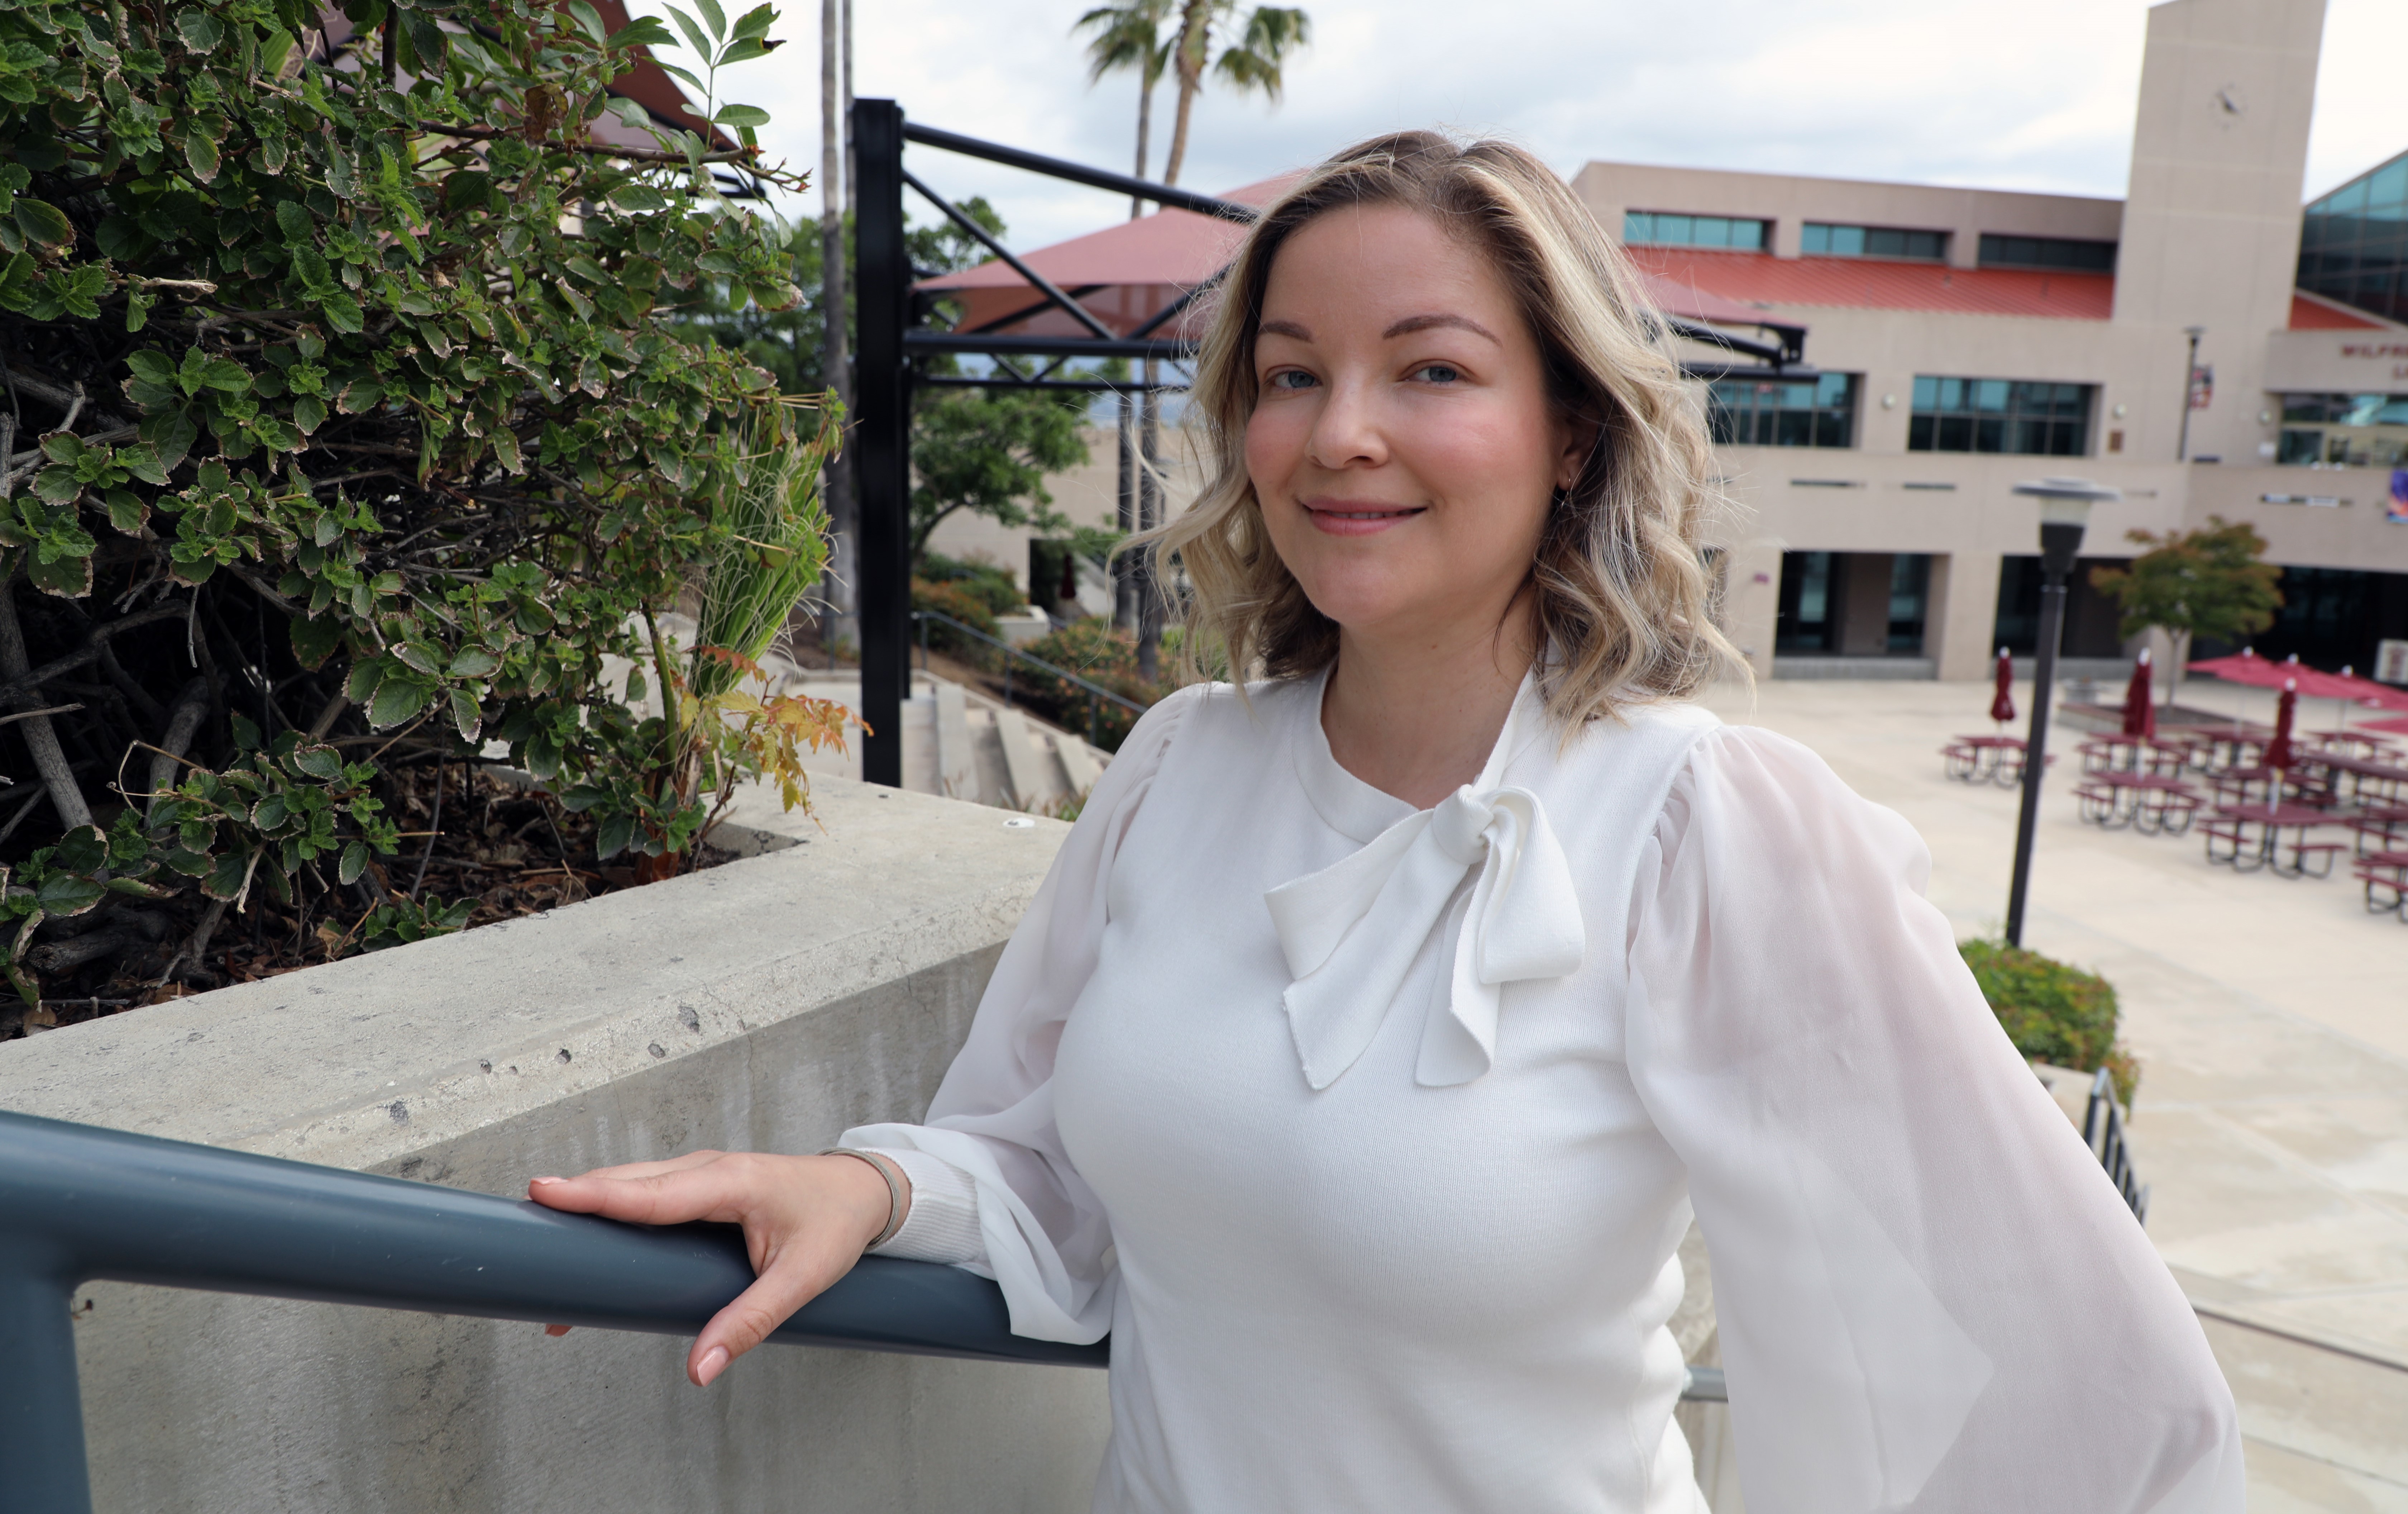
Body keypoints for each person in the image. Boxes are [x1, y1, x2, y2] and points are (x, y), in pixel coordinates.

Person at [531, 132, 2241, 1511]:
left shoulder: (1697, 825)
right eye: (1291, 376)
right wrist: (868, 1189)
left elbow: (2054, 1351)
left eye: (1429, 369)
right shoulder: (1182, 768)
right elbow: (1050, 1169)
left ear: (1571, 430)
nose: (1339, 435)